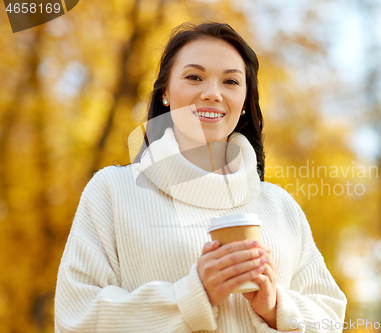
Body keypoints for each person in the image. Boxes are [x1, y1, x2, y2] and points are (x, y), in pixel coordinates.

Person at [54, 21, 347, 332]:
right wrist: (193, 296)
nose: (212, 94)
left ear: (246, 101)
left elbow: (330, 316)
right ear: (165, 91)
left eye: (231, 82)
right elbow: (76, 317)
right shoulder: (113, 191)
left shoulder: (281, 206)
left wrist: (276, 307)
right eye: (194, 77)